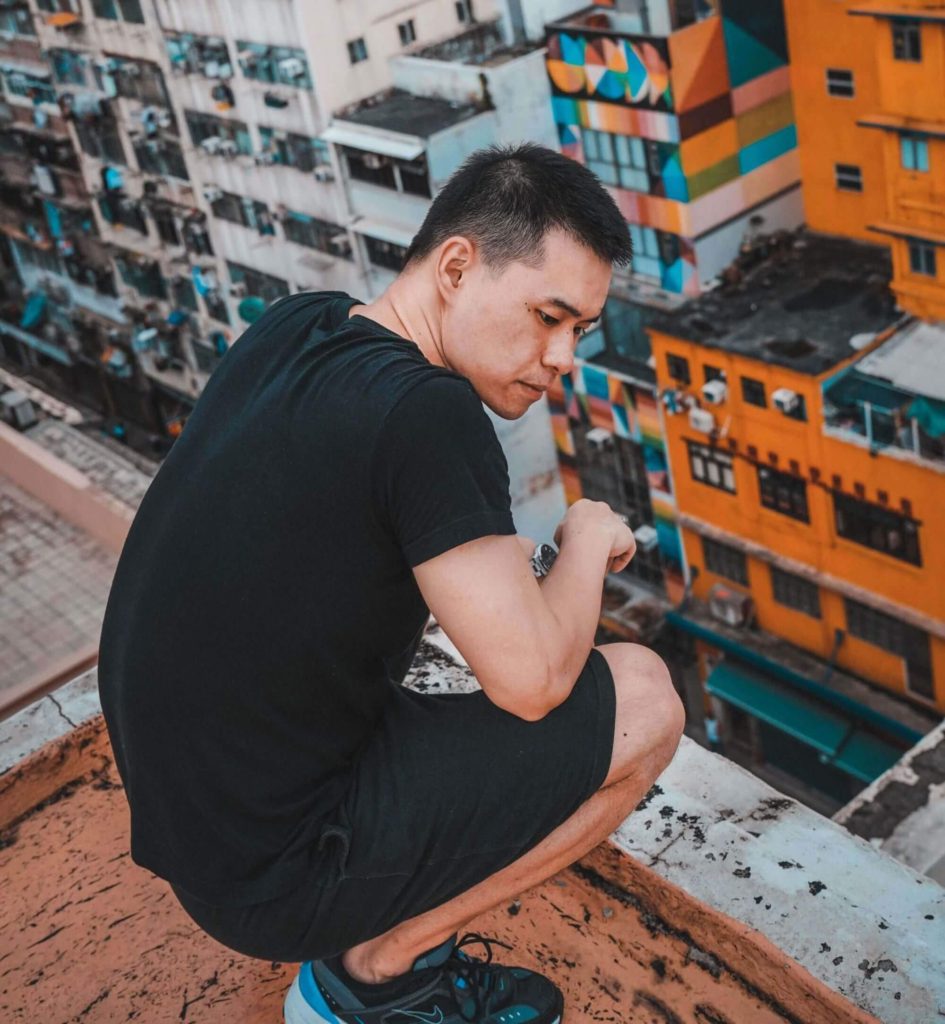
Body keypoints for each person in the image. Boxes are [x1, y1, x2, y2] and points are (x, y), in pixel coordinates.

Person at [97, 143, 685, 1024]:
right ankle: (382, 970)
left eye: (579, 331)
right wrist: (584, 537)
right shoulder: (429, 412)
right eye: (547, 316)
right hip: (272, 874)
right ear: (456, 265)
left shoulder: (296, 324)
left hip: (195, 815)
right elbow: (532, 683)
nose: (563, 357)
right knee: (645, 699)